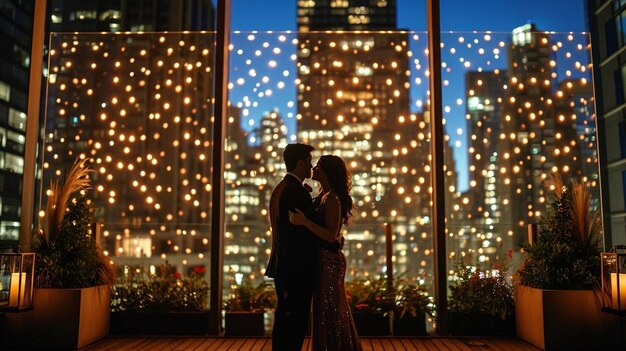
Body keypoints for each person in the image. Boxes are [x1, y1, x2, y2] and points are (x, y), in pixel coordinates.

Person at [265, 143, 339, 351]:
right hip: (296, 268)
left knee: (285, 319)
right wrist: (331, 242)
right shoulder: (296, 192)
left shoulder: (280, 188)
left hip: (284, 266)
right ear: (300, 162)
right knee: (295, 322)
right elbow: (302, 234)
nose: (311, 167)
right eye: (308, 162)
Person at [289, 155, 362, 351]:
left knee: (331, 309)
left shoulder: (333, 199)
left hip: (330, 262)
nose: (314, 168)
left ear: (328, 172)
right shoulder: (324, 195)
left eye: (319, 166)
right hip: (324, 260)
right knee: (325, 309)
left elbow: (330, 235)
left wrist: (303, 221)